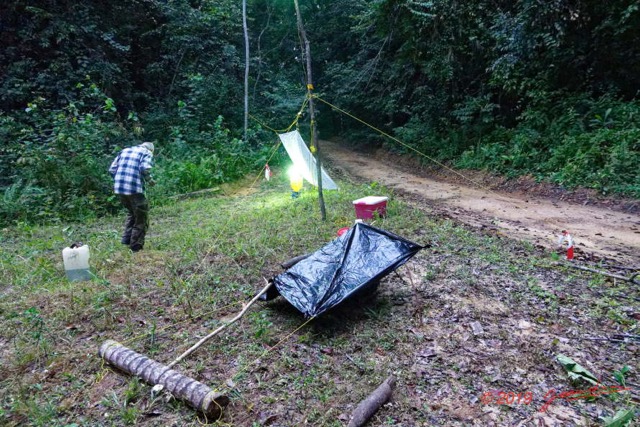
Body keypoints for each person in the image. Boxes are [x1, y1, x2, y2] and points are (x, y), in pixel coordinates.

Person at [109, 142, 155, 252]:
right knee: (141, 216)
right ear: (151, 150)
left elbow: (112, 169)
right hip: (134, 188)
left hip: (119, 188)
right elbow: (145, 168)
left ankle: (126, 240)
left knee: (132, 213)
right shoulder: (146, 152)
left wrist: (120, 180)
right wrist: (150, 181)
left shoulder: (125, 150)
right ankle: (136, 246)